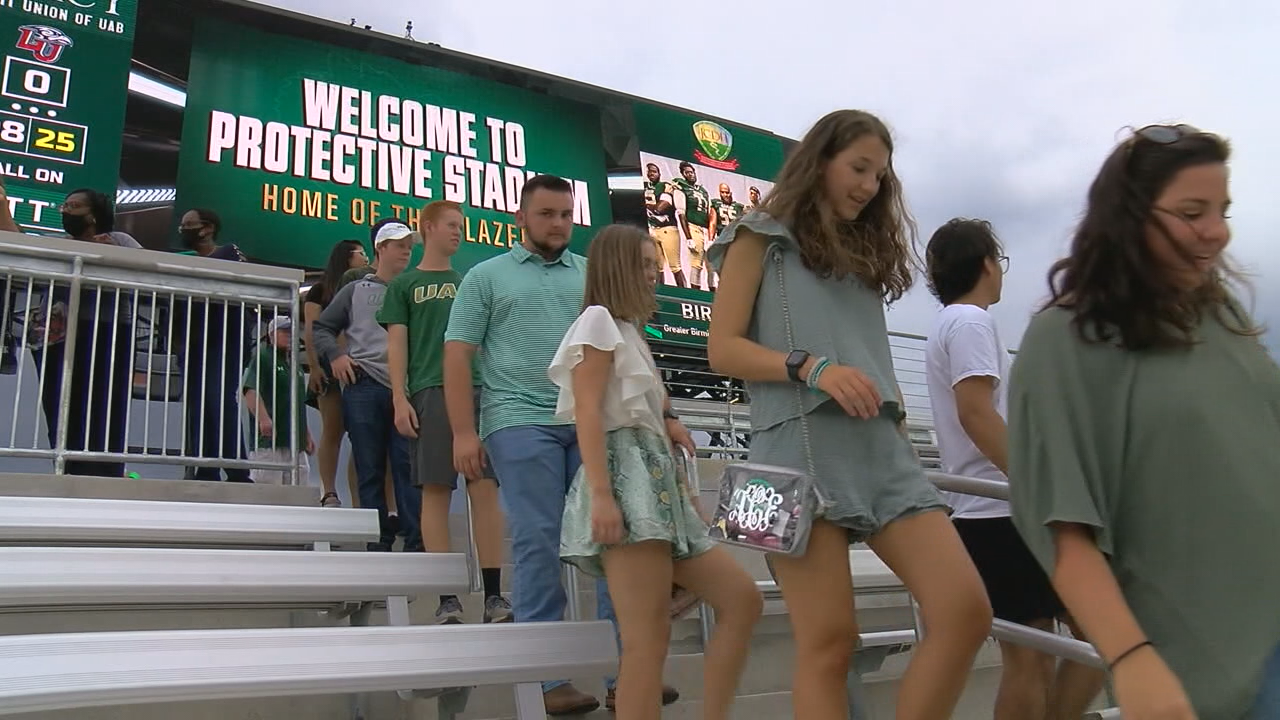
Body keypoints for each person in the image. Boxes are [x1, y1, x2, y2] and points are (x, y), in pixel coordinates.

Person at [706, 110, 992, 720]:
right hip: (787, 451)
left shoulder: (864, 254)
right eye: (859, 167)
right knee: (828, 646)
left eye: (880, 175)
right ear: (821, 161)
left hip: (881, 451)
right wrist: (812, 367)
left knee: (967, 611)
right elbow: (721, 348)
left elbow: (868, 354)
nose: (869, 185)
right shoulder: (757, 236)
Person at [1008, 124, 1280, 720]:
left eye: (1222, 210)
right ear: (1129, 215)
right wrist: (1131, 658)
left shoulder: (1221, 315)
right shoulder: (1066, 338)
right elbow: (1064, 528)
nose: (1218, 231)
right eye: (1192, 212)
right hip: (1208, 670)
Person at [444, 175, 680, 716]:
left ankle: (631, 674)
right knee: (538, 537)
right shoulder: (486, 276)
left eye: (566, 214)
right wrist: (462, 432)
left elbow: (628, 351)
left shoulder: (589, 277)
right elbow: (457, 354)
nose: (558, 224)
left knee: (617, 538)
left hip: (593, 423)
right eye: (546, 214)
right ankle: (547, 682)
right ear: (521, 218)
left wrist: (665, 414)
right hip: (517, 419)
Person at [552, 224, 761, 720]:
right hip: (625, 480)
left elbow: (640, 409)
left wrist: (671, 438)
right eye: (646, 264)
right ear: (620, 267)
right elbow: (587, 412)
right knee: (647, 642)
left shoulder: (626, 329)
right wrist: (602, 496)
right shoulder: (597, 321)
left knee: (739, 600)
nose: (654, 273)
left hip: (654, 479)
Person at [924, 218, 1103, 720]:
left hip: (983, 512)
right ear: (986, 264)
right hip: (1001, 511)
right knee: (1061, 651)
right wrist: (1038, 485)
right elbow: (976, 412)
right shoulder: (971, 323)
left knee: (1038, 658)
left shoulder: (947, 324)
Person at [381, 200, 513, 625]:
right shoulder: (405, 285)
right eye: (451, 225)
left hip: (478, 391)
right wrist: (399, 398)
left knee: (484, 487)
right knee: (436, 491)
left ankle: (494, 595)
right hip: (429, 392)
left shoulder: (471, 281)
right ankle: (447, 598)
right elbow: (396, 346)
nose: (458, 232)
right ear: (429, 228)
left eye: (462, 225)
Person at [0, 188, 139, 477]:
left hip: (108, 330)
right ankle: (67, 469)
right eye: (64, 205)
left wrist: (109, 252)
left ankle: (106, 473)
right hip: (57, 333)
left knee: (104, 402)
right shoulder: (58, 244)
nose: (65, 211)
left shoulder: (120, 239)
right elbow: (21, 250)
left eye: (73, 206)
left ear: (92, 215)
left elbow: (147, 270)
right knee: (60, 405)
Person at [312, 221, 422, 552]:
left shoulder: (414, 289)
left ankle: (416, 546)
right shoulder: (355, 290)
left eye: (409, 244)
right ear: (381, 249)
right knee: (369, 467)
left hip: (406, 388)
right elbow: (321, 328)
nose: (406, 250)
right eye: (398, 244)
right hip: (363, 384)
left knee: (408, 468)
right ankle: (378, 545)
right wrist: (336, 357)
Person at [174, 207, 253, 482]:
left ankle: (237, 470)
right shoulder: (183, 261)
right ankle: (205, 466)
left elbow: (236, 275)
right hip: (192, 342)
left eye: (189, 224)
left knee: (219, 400)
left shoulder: (229, 251)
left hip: (225, 339)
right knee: (197, 404)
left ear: (207, 228)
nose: (183, 230)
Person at [304, 239, 370, 507]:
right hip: (329, 366)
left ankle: (359, 500)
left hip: (361, 366)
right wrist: (315, 367)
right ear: (346, 257)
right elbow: (312, 329)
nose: (366, 257)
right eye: (361, 253)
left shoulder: (367, 288)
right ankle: (328, 491)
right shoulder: (320, 290)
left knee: (362, 437)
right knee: (333, 429)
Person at [241, 316, 313, 485]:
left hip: (295, 442)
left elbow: (297, 403)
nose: (289, 335)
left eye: (292, 332)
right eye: (284, 331)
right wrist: (263, 418)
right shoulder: (263, 358)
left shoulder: (295, 365)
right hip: (269, 442)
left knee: (299, 491)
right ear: (272, 334)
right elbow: (250, 389)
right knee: (268, 492)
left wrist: (306, 433)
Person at [671, 162, 713, 290]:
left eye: (692, 172)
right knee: (697, 264)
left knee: (711, 266)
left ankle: (715, 295)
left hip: (706, 230)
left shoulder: (702, 190)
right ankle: (696, 295)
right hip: (693, 227)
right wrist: (688, 237)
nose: (691, 174)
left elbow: (709, 213)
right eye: (687, 172)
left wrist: (711, 236)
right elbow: (681, 213)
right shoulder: (681, 187)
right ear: (683, 174)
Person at [644, 163, 685, 288]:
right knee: (657, 267)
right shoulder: (645, 187)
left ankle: (684, 294)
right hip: (652, 229)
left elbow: (659, 209)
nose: (651, 174)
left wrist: (647, 205)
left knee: (675, 266)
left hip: (668, 229)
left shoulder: (665, 186)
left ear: (659, 173)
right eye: (649, 171)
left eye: (654, 171)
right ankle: (660, 294)